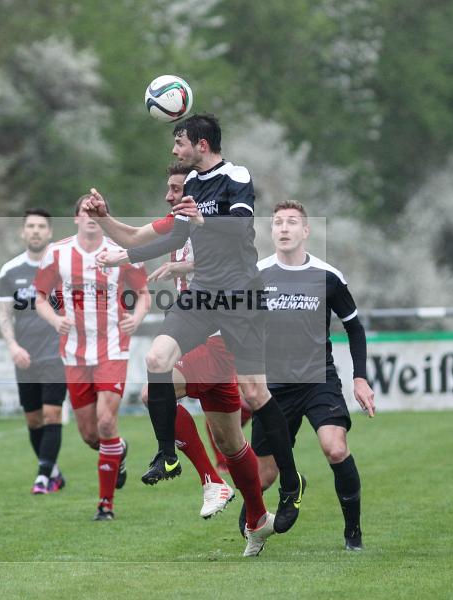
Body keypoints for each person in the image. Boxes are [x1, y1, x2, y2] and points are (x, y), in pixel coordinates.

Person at [96, 114, 304, 555]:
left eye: (179, 142)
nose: (175, 150)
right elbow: (163, 239)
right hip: (204, 295)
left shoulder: (235, 176)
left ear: (201, 143)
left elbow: (242, 231)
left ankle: (290, 483)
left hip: (241, 297)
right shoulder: (190, 187)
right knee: (156, 361)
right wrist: (123, 253)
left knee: (254, 392)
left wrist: (202, 222)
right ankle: (166, 453)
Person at [82, 163, 254, 520]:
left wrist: (185, 268)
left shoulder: (216, 224)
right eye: (169, 188)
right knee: (230, 443)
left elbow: (239, 262)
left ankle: (205, 477)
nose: (169, 195)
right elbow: (132, 236)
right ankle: (258, 515)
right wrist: (104, 220)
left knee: (153, 391)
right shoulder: (178, 224)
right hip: (193, 334)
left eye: (176, 189)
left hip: (217, 335)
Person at [248, 201, 375, 551]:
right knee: (264, 476)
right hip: (273, 388)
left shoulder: (328, 277)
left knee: (335, 448)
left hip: (319, 380)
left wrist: (359, 378)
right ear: (271, 232)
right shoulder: (257, 275)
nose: (284, 228)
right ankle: (267, 513)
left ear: (306, 231)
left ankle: (353, 533)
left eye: (292, 222)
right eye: (277, 223)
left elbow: (355, 328)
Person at [34, 196, 150, 521]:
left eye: (94, 211)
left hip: (113, 347)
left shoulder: (120, 252)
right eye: (83, 211)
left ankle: (105, 504)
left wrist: (137, 318)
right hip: (74, 354)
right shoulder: (56, 253)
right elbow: (39, 298)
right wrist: (56, 320)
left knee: (106, 421)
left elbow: (143, 295)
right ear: (75, 218)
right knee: (90, 435)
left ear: (103, 216)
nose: (89, 216)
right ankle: (118, 451)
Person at [0, 208, 67, 495]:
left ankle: (42, 477)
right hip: (25, 357)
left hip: (57, 355)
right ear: (23, 232)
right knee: (34, 419)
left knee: (52, 415)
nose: (36, 231)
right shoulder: (10, 271)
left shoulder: (63, 267)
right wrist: (13, 346)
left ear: (49, 232)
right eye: (31, 226)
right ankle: (53, 471)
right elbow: (4, 315)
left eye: (41, 226)